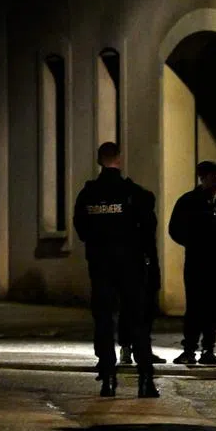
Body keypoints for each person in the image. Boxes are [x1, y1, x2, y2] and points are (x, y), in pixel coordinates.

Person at [74, 142, 161, 398]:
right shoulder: (133, 193)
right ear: (119, 160)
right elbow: (148, 231)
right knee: (137, 321)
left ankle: (108, 379)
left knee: (103, 320)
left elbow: (81, 230)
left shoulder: (87, 194)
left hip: (101, 266)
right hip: (131, 266)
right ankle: (145, 380)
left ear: (100, 160)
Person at [168, 160, 216, 366]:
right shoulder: (189, 201)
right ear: (204, 177)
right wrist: (195, 244)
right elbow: (175, 230)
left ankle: (209, 349)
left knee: (214, 309)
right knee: (195, 307)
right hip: (197, 264)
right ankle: (189, 349)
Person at [116, 238, 165, 367]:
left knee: (147, 309)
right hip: (129, 261)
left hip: (146, 262)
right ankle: (127, 347)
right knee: (128, 306)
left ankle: (142, 348)